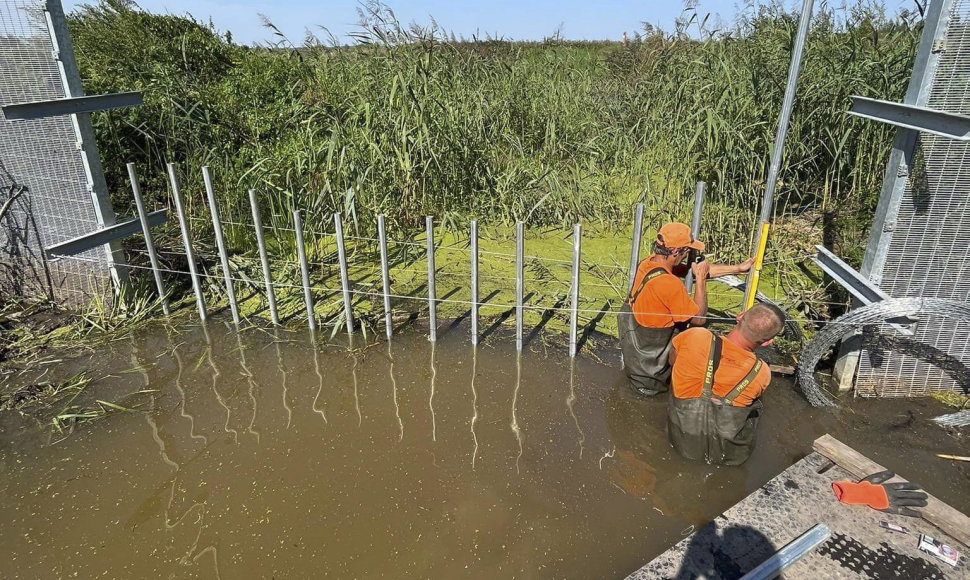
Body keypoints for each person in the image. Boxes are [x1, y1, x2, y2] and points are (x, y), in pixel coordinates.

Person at [618, 222, 751, 397]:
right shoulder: (669, 284)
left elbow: (690, 270)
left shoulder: (648, 264)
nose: (688, 254)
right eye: (687, 250)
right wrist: (701, 281)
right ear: (675, 251)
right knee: (653, 406)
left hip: (637, 357)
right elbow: (699, 320)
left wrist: (738, 269)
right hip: (652, 372)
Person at [666, 303, 786, 465]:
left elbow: (672, 361)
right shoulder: (762, 372)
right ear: (767, 342)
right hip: (725, 453)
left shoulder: (695, 336)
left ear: (739, 316)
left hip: (682, 438)